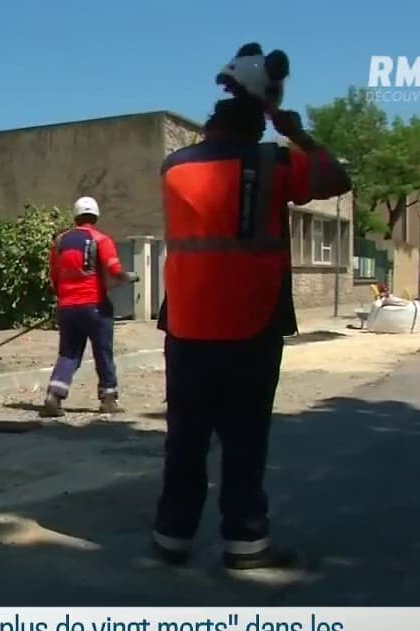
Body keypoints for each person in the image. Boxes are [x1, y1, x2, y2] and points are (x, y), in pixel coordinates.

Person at [150, 44, 352, 571]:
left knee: (186, 438)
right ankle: (246, 542)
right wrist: (293, 130)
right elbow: (336, 178)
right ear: (262, 116)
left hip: (188, 326)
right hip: (251, 324)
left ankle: (171, 536)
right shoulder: (273, 161)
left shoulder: (174, 167)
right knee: (244, 438)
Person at [41, 196, 128, 417]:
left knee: (68, 354)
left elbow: (54, 276)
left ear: (76, 216)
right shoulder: (101, 240)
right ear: (96, 216)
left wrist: (64, 298)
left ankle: (54, 396)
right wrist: (126, 277)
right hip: (95, 306)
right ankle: (108, 399)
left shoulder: (60, 242)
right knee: (103, 352)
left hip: (68, 307)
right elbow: (114, 269)